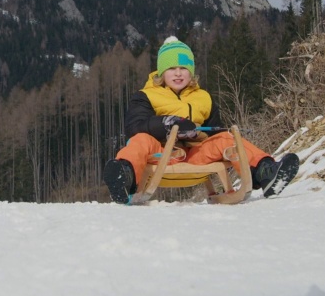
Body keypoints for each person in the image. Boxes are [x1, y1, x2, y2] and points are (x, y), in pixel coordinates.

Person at [102, 36, 299, 204]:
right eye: (171, 68)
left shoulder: (203, 97)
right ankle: (124, 176)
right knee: (140, 141)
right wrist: (166, 123)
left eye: (183, 68)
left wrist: (201, 133)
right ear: (161, 72)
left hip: (197, 154)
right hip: (162, 154)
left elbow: (216, 132)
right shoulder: (146, 95)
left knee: (227, 139)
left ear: (191, 71)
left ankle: (267, 172)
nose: (178, 73)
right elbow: (135, 127)